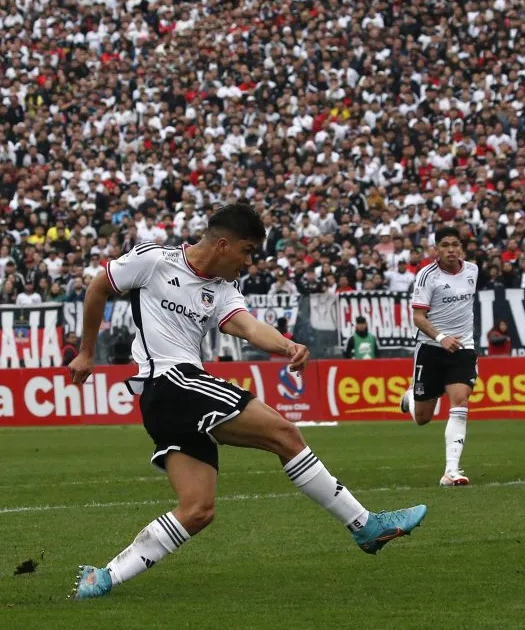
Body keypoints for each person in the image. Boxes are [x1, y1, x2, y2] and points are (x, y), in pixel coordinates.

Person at [68, 203, 426, 600]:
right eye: (248, 251)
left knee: (198, 509)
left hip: (169, 402)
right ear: (224, 244)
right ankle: (365, 526)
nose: (249, 262)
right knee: (284, 433)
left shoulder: (221, 290)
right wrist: (87, 352)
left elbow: (248, 326)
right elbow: (99, 285)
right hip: (171, 381)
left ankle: (103, 577)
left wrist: (287, 345)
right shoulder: (154, 260)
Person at [399, 227, 479, 486]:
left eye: (455, 244)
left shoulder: (472, 271)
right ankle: (411, 398)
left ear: (462, 248)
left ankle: (451, 471)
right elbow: (418, 317)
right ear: (436, 249)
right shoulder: (426, 276)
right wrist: (441, 337)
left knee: (460, 400)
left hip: (463, 348)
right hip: (431, 348)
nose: (451, 249)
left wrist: (454, 339)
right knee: (423, 418)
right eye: (445, 245)